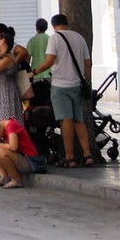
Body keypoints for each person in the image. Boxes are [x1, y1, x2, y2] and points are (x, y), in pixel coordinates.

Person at [37, 14, 94, 166]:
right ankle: (88, 155)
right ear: (66, 23)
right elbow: (88, 63)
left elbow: (49, 61)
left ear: (53, 25)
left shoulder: (54, 38)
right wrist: (86, 80)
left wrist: (34, 71)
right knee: (78, 120)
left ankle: (70, 157)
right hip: (77, 85)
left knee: (66, 120)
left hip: (60, 86)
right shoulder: (79, 38)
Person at [0, 118, 44, 188]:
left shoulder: (11, 126)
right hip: (18, 157)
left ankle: (16, 179)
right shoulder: (2, 128)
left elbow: (13, 147)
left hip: (29, 161)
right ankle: (4, 177)